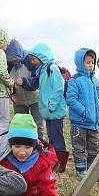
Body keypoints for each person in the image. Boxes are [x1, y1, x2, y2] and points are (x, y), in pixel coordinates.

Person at [27, 43, 68, 172]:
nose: (32, 62)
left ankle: (60, 166)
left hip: (54, 111)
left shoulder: (52, 68)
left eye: (33, 59)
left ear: (41, 56)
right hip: (49, 111)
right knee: (52, 136)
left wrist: (51, 105)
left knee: (57, 137)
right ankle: (54, 162)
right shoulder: (44, 70)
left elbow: (58, 88)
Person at [66, 48, 99, 179]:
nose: (91, 65)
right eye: (88, 62)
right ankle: (81, 171)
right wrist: (83, 112)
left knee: (94, 147)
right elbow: (71, 99)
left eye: (92, 62)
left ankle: (91, 171)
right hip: (80, 123)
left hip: (94, 123)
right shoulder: (75, 80)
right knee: (79, 147)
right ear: (80, 63)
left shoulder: (96, 81)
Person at [6, 39, 45, 139]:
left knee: (38, 125)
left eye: (16, 58)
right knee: (20, 126)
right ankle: (22, 146)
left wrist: (23, 81)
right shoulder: (8, 65)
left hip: (35, 99)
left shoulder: (31, 60)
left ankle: (39, 146)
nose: (14, 61)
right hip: (19, 101)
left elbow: (37, 80)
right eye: (11, 59)